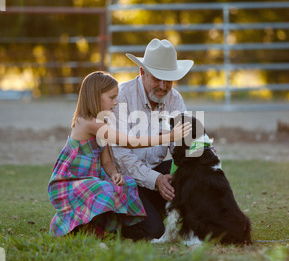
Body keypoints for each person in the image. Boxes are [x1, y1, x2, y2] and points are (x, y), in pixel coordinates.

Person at [48, 71, 190, 238]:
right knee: (103, 189)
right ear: (95, 97)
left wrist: (115, 174)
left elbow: (107, 160)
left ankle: (96, 226)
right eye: (112, 98)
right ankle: (76, 225)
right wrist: (168, 136)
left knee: (123, 184)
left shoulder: (103, 123)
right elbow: (128, 141)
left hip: (93, 178)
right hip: (73, 180)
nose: (116, 103)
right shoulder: (88, 123)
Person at [110, 38, 194, 240]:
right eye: (157, 78)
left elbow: (181, 146)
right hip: (123, 180)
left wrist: (198, 152)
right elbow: (119, 155)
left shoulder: (175, 99)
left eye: (169, 79)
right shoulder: (121, 97)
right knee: (153, 232)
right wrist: (155, 179)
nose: (163, 86)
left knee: (193, 169)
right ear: (142, 72)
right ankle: (115, 217)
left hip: (154, 173)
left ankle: (185, 218)